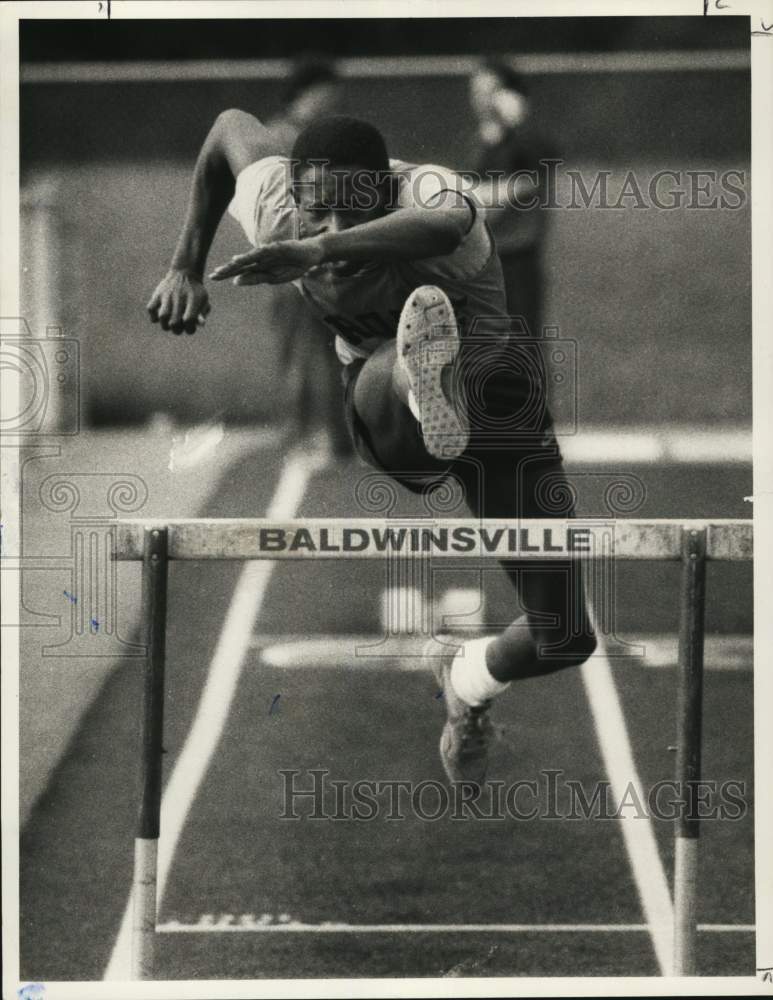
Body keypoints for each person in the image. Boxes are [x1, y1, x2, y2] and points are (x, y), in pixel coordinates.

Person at [147, 111, 596, 785]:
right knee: (388, 360)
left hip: (499, 406)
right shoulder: (274, 199)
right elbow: (224, 131)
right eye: (316, 213)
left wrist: (319, 252)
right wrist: (184, 265)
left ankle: (467, 678)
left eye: (348, 215)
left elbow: (444, 225)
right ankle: (418, 379)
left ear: (385, 191)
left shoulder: (429, 193)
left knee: (564, 636)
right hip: (381, 403)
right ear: (293, 192)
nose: (329, 228)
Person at [265, 58, 352, 453]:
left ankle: (341, 437)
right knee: (297, 354)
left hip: (329, 259)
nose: (333, 102)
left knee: (340, 350)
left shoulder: (329, 136)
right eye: (327, 95)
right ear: (308, 93)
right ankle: (296, 436)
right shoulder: (276, 138)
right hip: (291, 260)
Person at [469, 59, 557, 337]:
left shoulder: (523, 143)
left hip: (517, 259)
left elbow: (544, 161)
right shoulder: (477, 143)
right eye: (476, 92)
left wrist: (517, 121)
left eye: (490, 91)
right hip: (480, 262)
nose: (481, 101)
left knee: (522, 349)